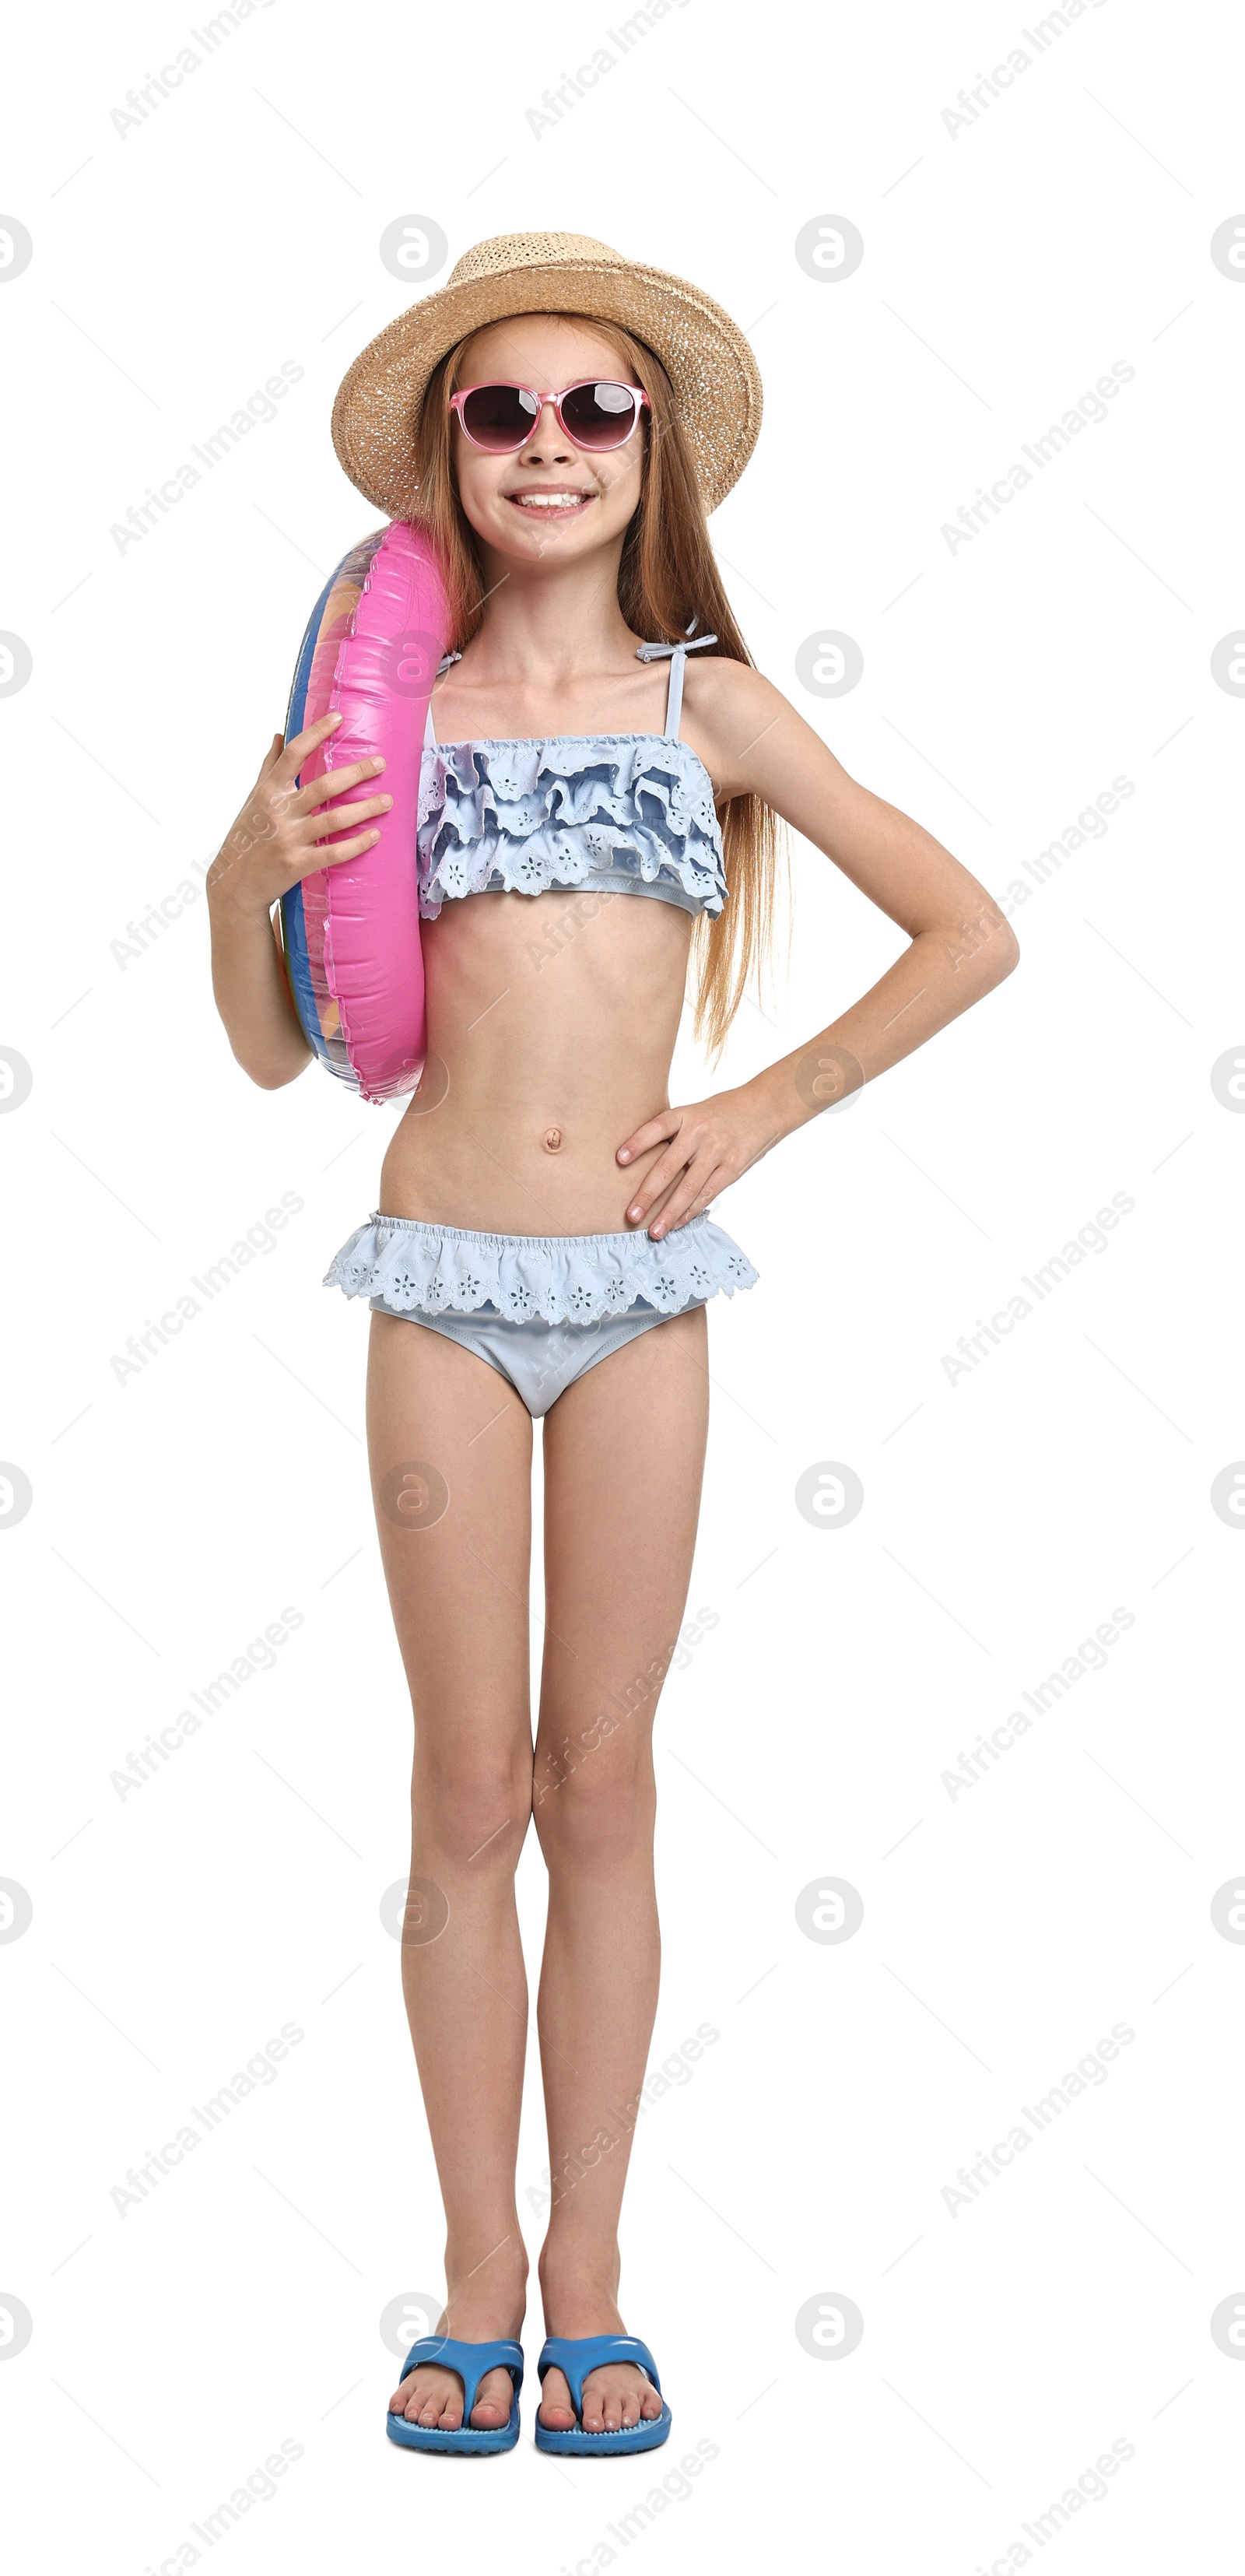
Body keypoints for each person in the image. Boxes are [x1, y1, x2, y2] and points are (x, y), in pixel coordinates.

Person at [207, 231, 1019, 2457]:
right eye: (505, 412)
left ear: (649, 452)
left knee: (605, 1780)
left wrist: (762, 1106)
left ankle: (595, 2271)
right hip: (442, 1288)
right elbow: (280, 1053)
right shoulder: (382, 722)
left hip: (639, 1295)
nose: (551, 444)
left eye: (595, 411)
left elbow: (970, 929)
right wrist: (233, 878)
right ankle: (473, 2275)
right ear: (449, 460)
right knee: (463, 1788)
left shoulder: (710, 706)